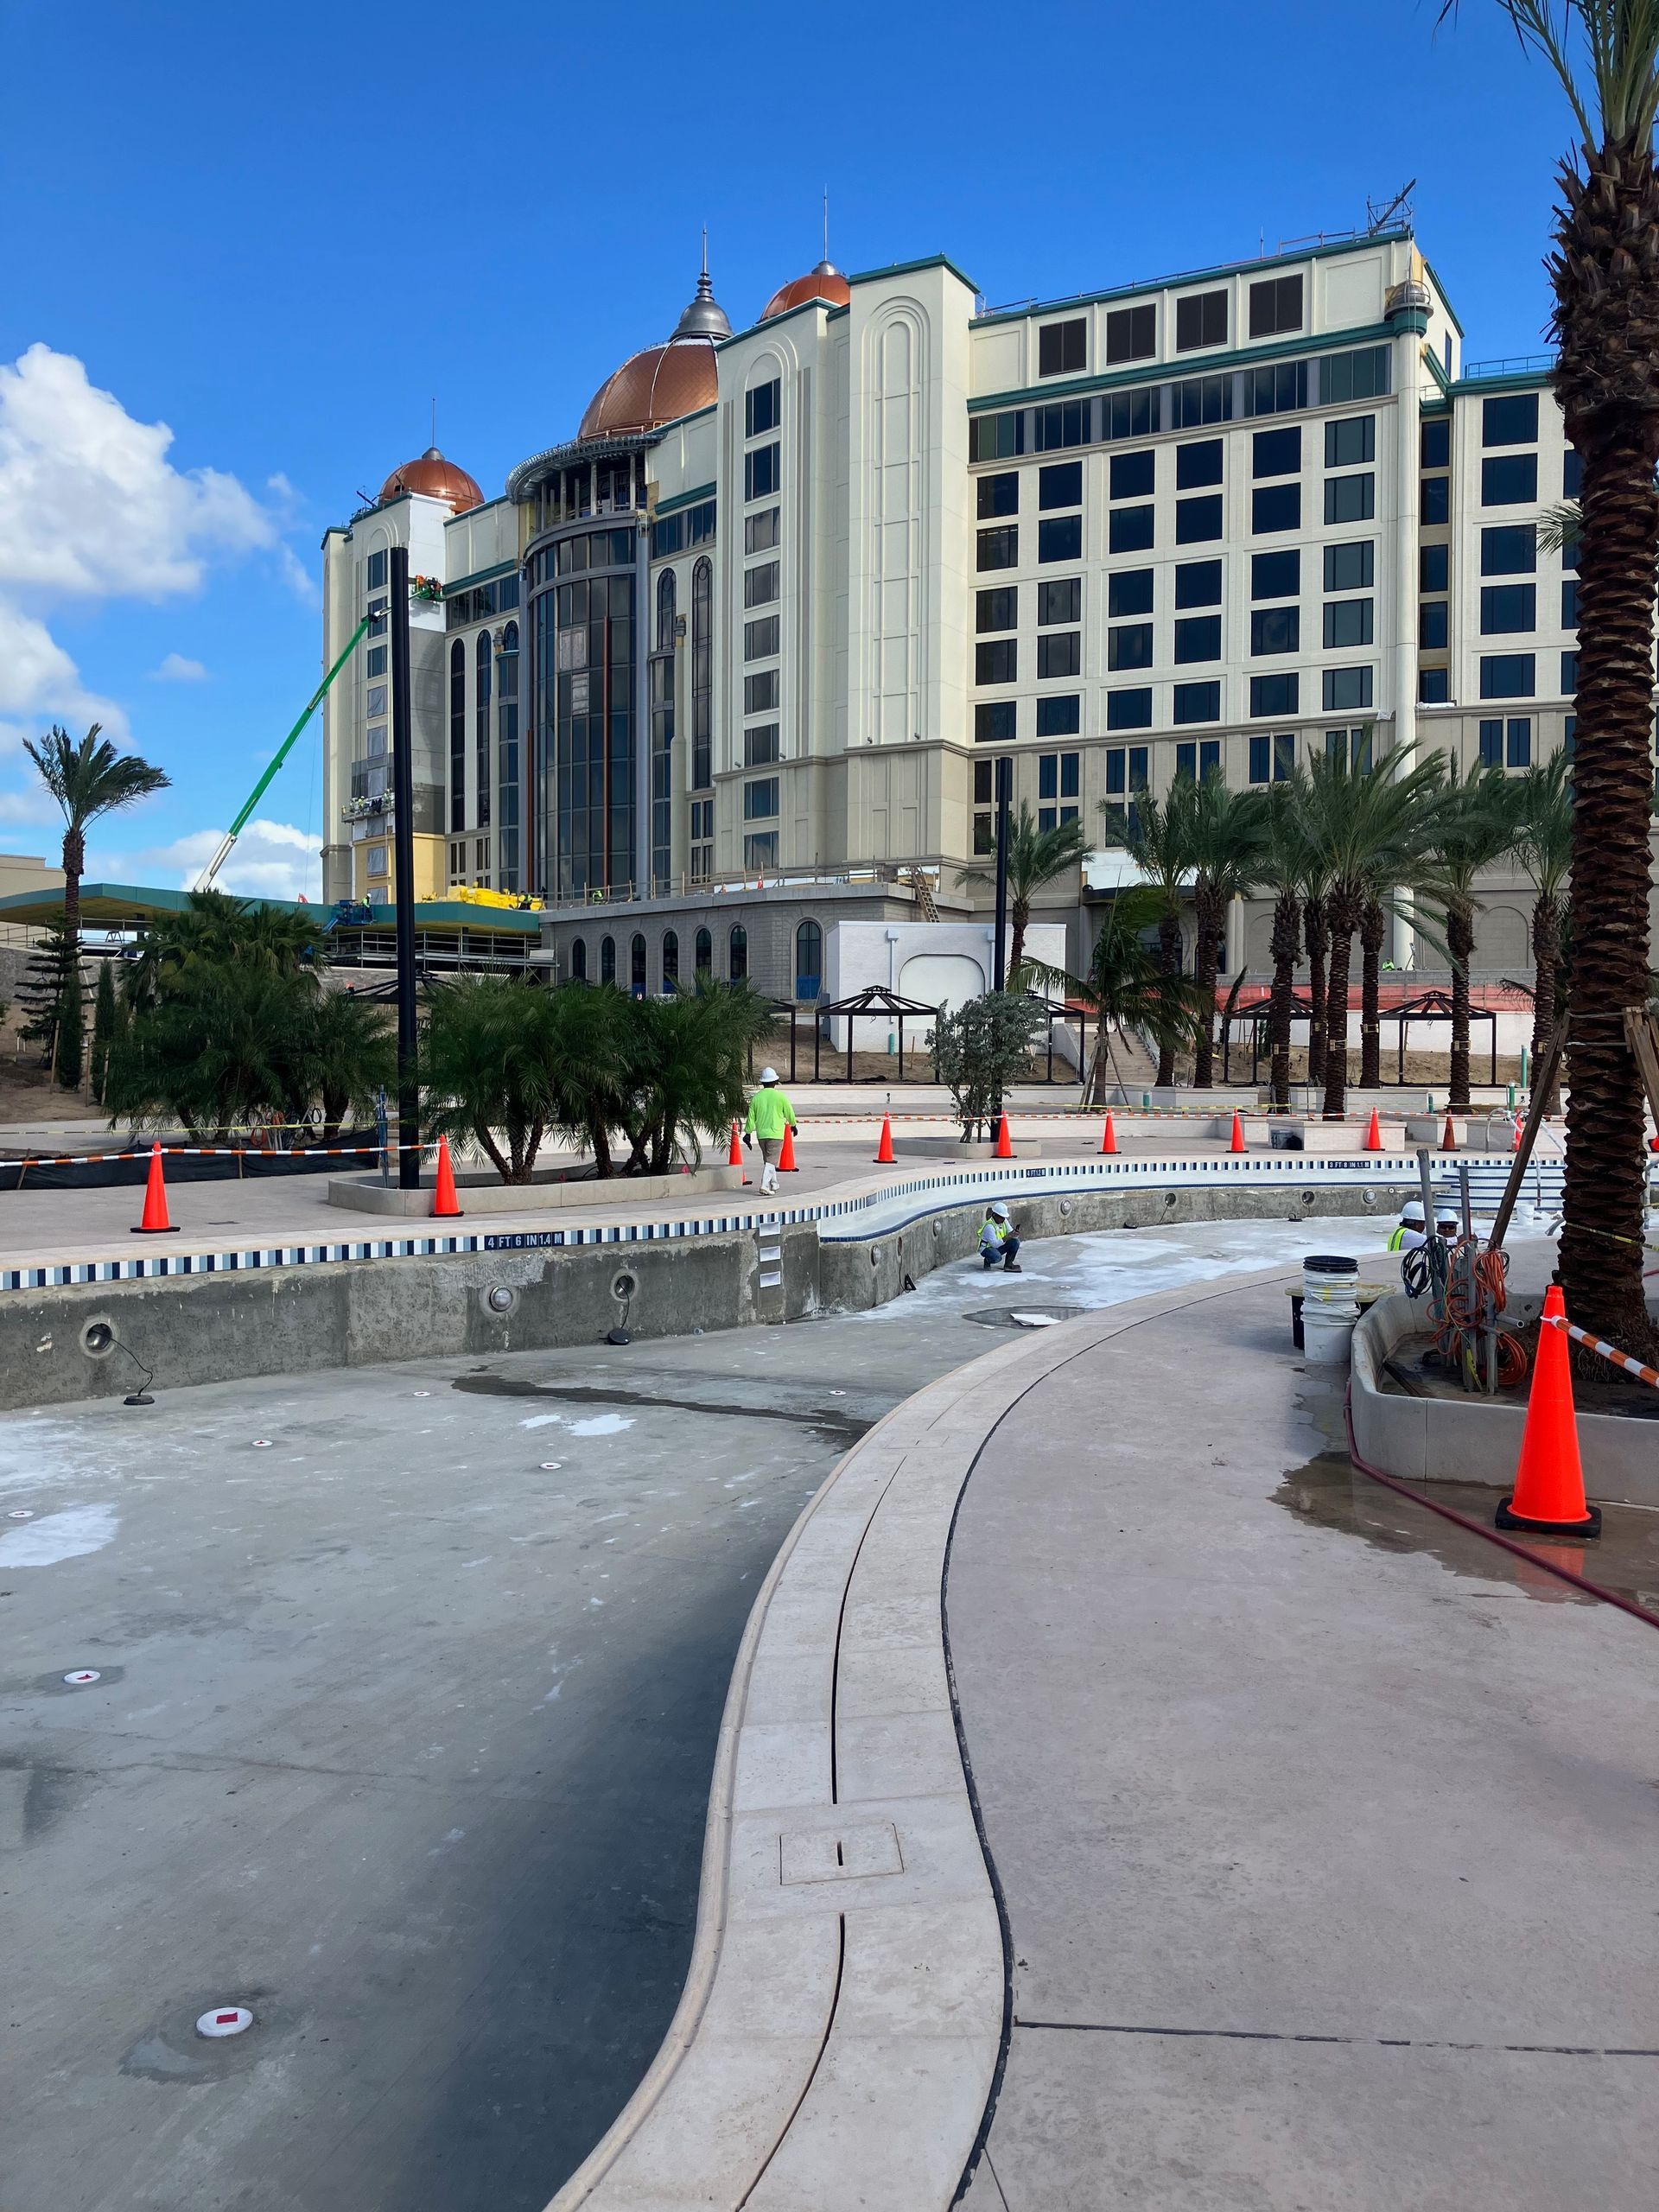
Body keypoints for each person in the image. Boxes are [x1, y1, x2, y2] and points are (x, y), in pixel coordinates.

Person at [743, 1066, 797, 1195]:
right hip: (776, 1134)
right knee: (771, 1161)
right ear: (775, 1082)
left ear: (762, 1082)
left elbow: (751, 1118)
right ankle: (764, 1185)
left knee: (769, 1161)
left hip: (762, 1135)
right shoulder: (780, 1097)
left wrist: (748, 1133)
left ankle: (774, 1183)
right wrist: (793, 1125)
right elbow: (789, 1112)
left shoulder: (756, 1098)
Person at [979, 1201, 1021, 1274]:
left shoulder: (1004, 1221)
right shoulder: (989, 1226)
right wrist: (1008, 1237)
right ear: (994, 1215)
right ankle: (987, 1260)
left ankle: (1008, 1264)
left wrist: (1015, 1234)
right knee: (997, 1258)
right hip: (986, 1249)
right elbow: (994, 1244)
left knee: (1015, 1242)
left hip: (997, 1246)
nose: (1003, 1219)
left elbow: (1010, 1232)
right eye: (1001, 1217)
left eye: (1004, 1217)